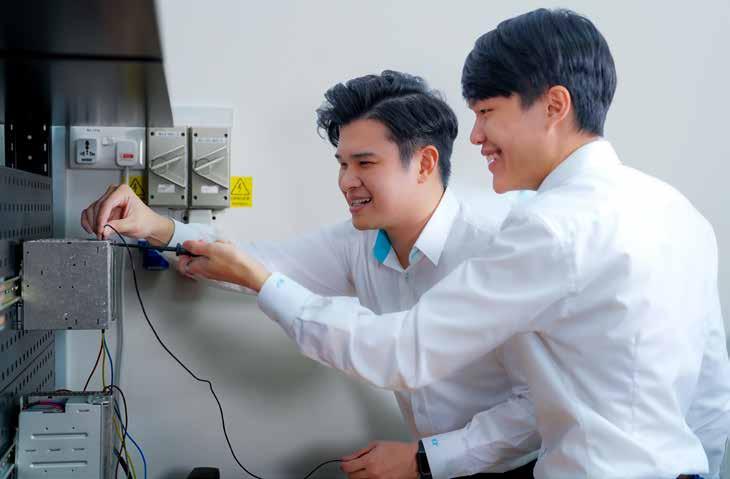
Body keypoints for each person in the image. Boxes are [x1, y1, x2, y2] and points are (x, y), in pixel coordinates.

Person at [164, 8, 730, 479]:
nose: (476, 135)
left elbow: (404, 351)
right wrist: (167, 232)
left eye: (487, 113)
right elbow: (711, 397)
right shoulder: (677, 211)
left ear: (554, 107)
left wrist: (265, 285)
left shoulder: (549, 227)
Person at [82, 71, 541, 478]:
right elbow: (255, 264)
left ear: (424, 163)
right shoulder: (359, 241)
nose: (346, 181)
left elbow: (538, 407)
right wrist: (157, 227)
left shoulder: (497, 245)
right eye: (342, 164)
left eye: (365, 163)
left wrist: (425, 460)